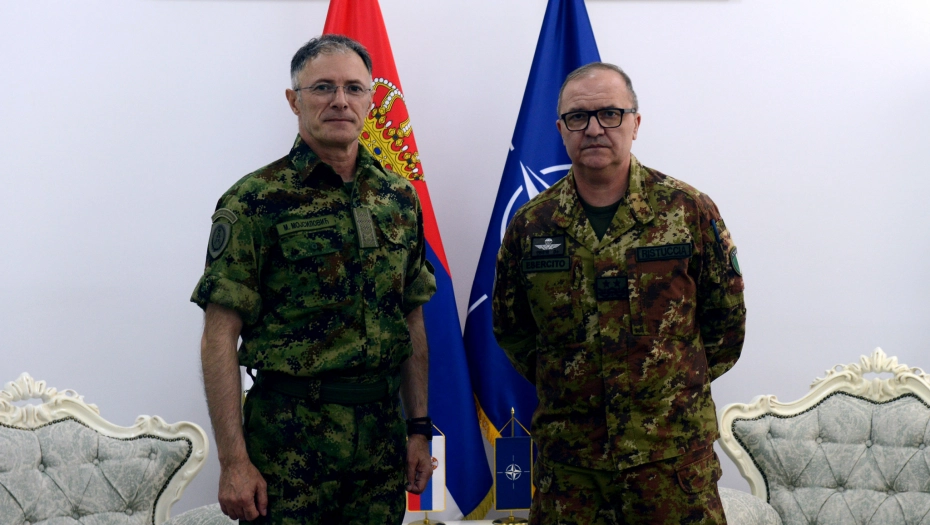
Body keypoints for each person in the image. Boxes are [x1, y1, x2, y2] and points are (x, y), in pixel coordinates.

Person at [191, 34, 436, 524]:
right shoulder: (254, 200)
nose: (340, 100)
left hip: (380, 442)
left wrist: (418, 428)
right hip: (289, 444)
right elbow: (219, 335)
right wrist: (234, 461)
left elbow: (411, 318)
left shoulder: (398, 198)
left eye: (354, 88)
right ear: (294, 100)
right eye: (323, 87)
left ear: (371, 100)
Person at [492, 62, 746, 524]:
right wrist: (577, 382)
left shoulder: (687, 211)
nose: (594, 129)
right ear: (560, 130)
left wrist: (662, 388)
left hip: (670, 466)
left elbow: (725, 327)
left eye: (610, 113)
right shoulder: (531, 226)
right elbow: (514, 331)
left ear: (635, 123)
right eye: (577, 117)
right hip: (571, 474)